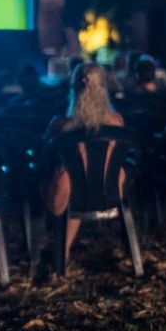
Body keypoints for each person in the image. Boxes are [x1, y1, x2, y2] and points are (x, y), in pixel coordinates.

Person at [42, 63, 125, 268]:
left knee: (58, 176)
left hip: (70, 193)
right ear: (103, 88)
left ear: (73, 90)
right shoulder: (116, 122)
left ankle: (60, 251)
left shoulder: (60, 125)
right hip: (110, 191)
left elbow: (45, 154)